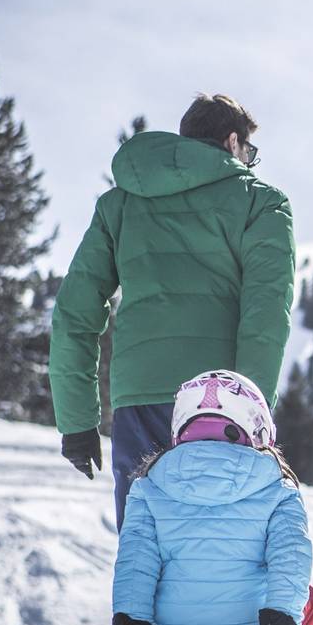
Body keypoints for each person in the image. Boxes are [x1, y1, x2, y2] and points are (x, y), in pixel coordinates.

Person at [49, 94, 295, 529]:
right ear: (232, 141)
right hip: (222, 405)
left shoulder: (120, 205)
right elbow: (266, 317)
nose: (249, 162)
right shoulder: (260, 201)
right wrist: (253, 414)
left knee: (145, 551)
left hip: (138, 401)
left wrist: (77, 420)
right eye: (249, 152)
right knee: (223, 555)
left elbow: (75, 313)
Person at [108, 370, 313, 625]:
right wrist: (281, 624)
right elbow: (290, 557)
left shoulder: (149, 484)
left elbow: (135, 562)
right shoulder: (277, 485)